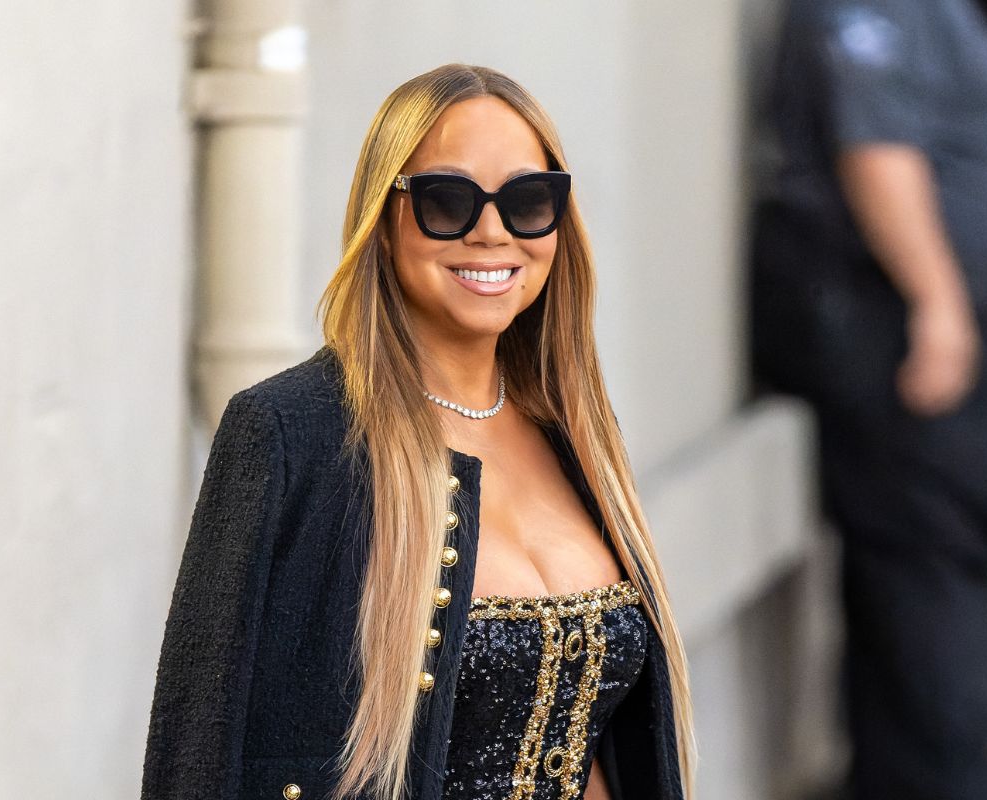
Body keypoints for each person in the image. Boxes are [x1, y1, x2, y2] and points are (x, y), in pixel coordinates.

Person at [141, 64, 695, 800]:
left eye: (529, 200)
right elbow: (195, 755)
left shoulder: (577, 430)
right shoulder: (289, 435)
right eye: (447, 200)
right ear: (384, 216)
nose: (492, 231)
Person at [751, 1, 987, 799]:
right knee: (929, 550)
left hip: (961, 317)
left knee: (928, 547)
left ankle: (912, 774)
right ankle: (949, 777)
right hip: (894, 319)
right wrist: (938, 305)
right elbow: (878, 151)